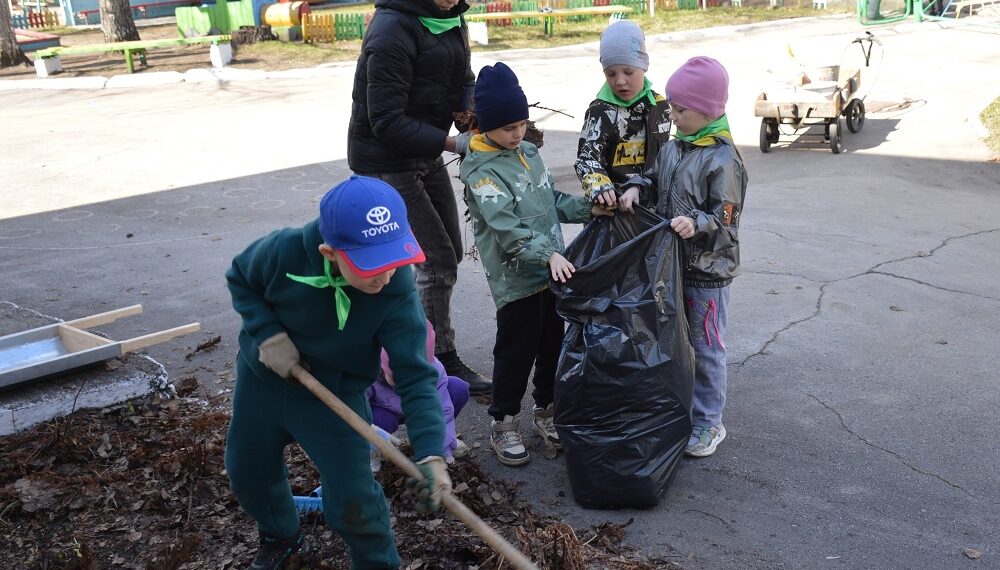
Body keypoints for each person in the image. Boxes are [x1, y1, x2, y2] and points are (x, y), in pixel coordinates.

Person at [225, 175, 451, 569]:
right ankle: (282, 536)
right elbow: (241, 278)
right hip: (264, 382)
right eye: (371, 265)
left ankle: (377, 563)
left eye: (394, 258)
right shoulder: (284, 250)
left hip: (335, 395)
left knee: (353, 497)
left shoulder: (395, 290)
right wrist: (268, 334)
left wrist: (431, 452)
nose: (386, 275)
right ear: (330, 252)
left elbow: (415, 375)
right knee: (249, 471)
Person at [459, 62, 613, 467]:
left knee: (553, 347)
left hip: (550, 275)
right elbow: (507, 229)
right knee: (516, 352)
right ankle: (504, 421)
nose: (518, 134)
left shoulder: (527, 153)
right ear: (486, 125)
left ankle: (547, 410)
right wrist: (549, 254)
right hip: (517, 281)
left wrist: (587, 208)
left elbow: (550, 202)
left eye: (523, 124)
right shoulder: (482, 173)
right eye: (509, 128)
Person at [347, 0, 492, 395]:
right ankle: (433, 362)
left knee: (448, 253)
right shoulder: (392, 29)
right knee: (435, 262)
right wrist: (453, 142)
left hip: (423, 151)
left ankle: (400, 345)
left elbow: (463, 76)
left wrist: (470, 113)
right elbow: (386, 121)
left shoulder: (449, 16)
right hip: (385, 160)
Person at [616, 56, 748, 458]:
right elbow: (654, 178)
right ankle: (679, 408)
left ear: (707, 110)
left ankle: (710, 422)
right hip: (671, 267)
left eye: (680, 109)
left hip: (707, 272)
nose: (672, 116)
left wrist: (697, 223)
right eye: (672, 107)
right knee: (674, 343)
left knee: (707, 347)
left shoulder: (723, 160)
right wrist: (638, 186)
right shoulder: (674, 149)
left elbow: (726, 222)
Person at [575, 20, 670, 210]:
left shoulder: (660, 106)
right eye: (610, 74)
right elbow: (586, 158)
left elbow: (666, 158)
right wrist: (600, 188)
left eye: (628, 72)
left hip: (654, 208)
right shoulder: (600, 111)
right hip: (613, 211)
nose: (620, 81)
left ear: (643, 65)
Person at [368, 319, 471, 464]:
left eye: (415, 378)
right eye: (398, 378)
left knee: (457, 388)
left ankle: (435, 440)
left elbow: (443, 411)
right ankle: (373, 455)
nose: (407, 384)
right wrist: (370, 433)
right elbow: (353, 406)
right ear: (383, 367)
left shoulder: (433, 372)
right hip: (386, 410)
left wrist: (440, 450)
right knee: (378, 420)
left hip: (421, 409)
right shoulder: (369, 373)